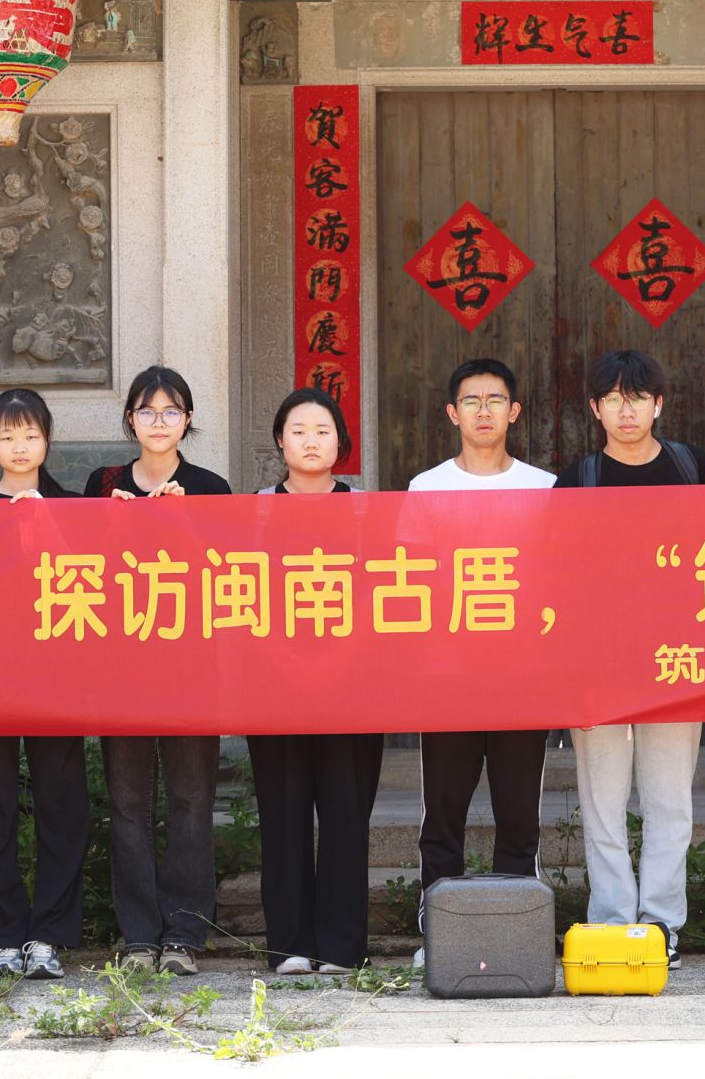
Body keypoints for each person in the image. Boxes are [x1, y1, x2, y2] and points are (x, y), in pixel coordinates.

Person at [553, 350, 705, 965]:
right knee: (603, 802)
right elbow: (558, 575)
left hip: (676, 660)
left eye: (638, 398)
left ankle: (663, 924)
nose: (627, 410)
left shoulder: (692, 469)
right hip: (601, 663)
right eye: (615, 399)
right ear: (596, 409)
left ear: (658, 404)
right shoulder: (578, 479)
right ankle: (613, 920)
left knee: (670, 800)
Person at [407, 358, 557, 966]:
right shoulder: (425, 487)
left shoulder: (545, 487)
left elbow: (557, 580)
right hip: (448, 675)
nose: (484, 410)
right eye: (471, 401)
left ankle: (518, 932)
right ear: (453, 413)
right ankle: (437, 931)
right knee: (443, 809)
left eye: (496, 400)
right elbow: (412, 580)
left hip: (523, 676)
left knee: (518, 813)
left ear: (514, 412)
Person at [85, 367, 233, 977]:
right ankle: (140, 935)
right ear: (130, 419)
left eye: (172, 411)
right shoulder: (104, 484)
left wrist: (185, 522)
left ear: (188, 420)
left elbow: (227, 574)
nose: (159, 422)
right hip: (122, 669)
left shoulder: (210, 488)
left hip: (191, 669)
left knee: (192, 800)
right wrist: (112, 522)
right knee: (128, 803)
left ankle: (186, 934)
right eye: (147, 411)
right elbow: (84, 570)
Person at [246, 389, 383, 975]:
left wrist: (342, 659)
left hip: (353, 687)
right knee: (283, 815)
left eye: (322, 431)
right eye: (298, 430)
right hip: (274, 686)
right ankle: (290, 944)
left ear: (341, 442)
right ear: (280, 440)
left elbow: (384, 596)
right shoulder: (254, 512)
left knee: (347, 815)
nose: (310, 441)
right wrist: (282, 660)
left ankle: (343, 947)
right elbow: (242, 595)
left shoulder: (365, 510)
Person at [0, 390, 88, 981]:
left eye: (30, 435)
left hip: (57, 681)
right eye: (8, 436)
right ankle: (3, 936)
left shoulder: (75, 508)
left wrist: (46, 523)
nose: (19, 447)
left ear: (47, 441)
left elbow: (92, 580)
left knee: (62, 806)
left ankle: (49, 936)